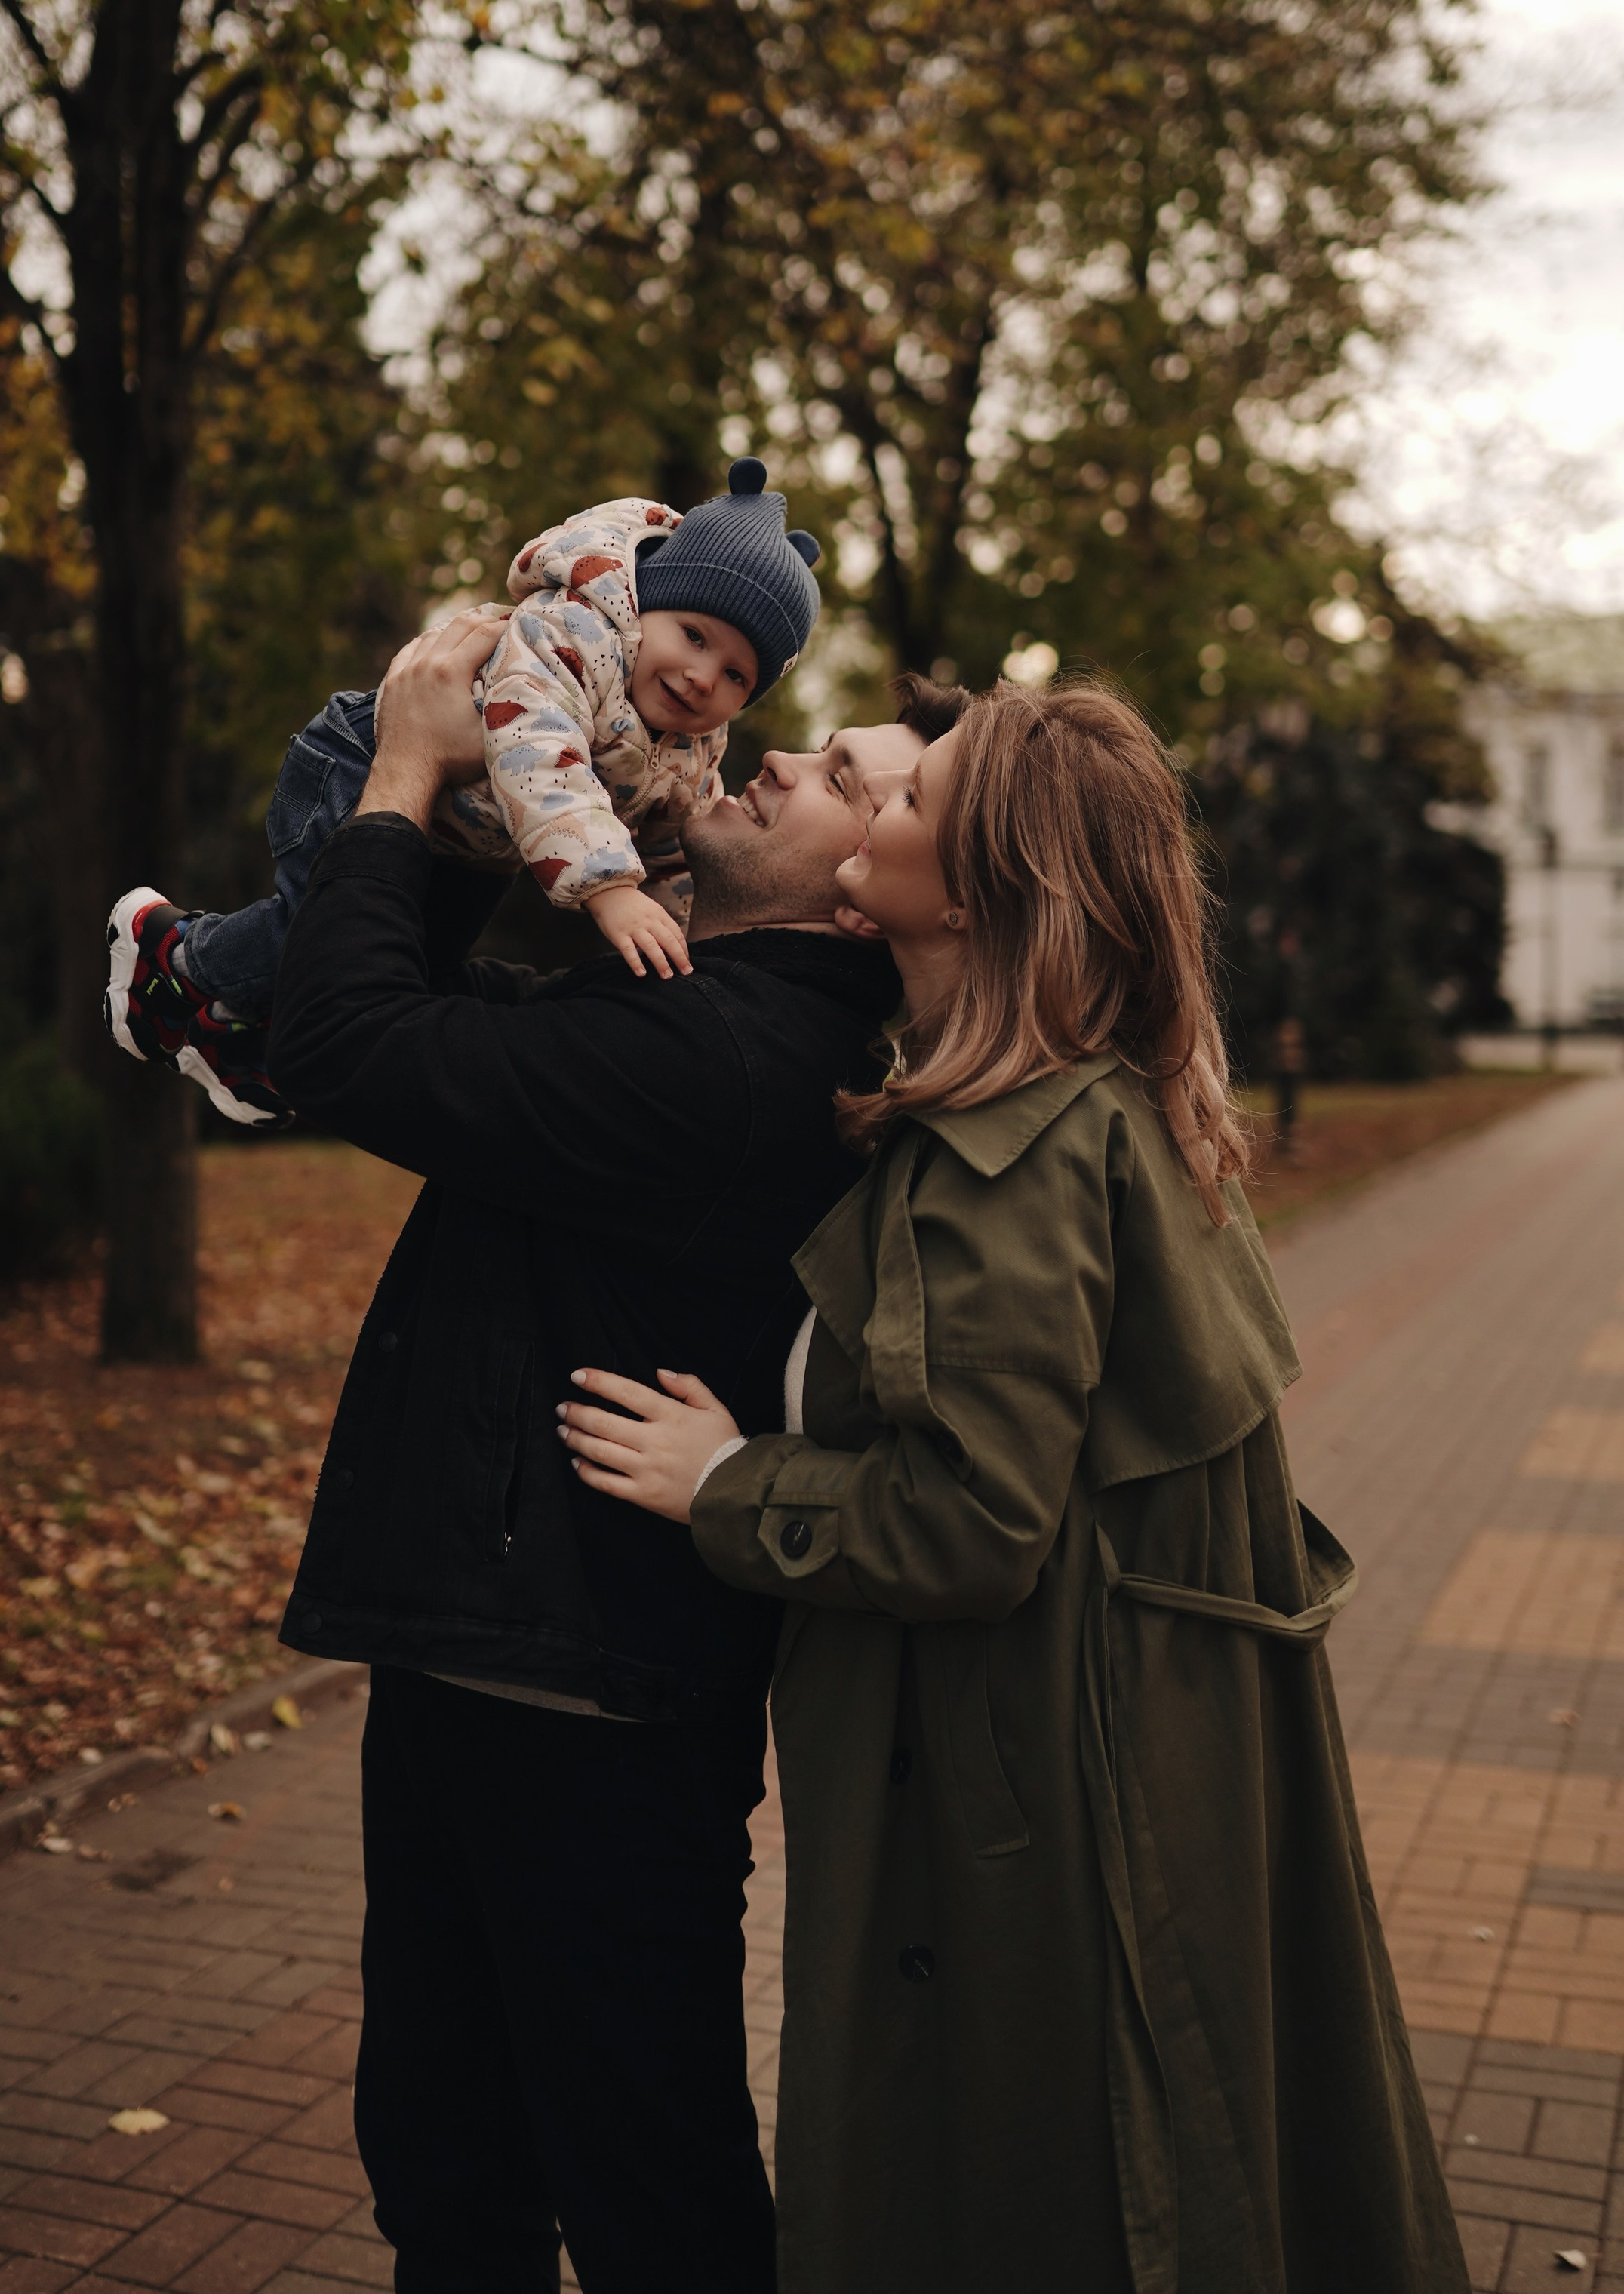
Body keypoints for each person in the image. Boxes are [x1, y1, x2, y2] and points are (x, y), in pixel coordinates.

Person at [560, 676, 1470, 2294]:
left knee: (1046, 2182)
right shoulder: (1086, 1100)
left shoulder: (1011, 1155)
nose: (876, 796)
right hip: (1108, 1750)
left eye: (911, 798)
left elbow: (972, 1523)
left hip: (1042, 1791)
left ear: (976, 894)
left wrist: (728, 1481)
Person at [264, 607, 961, 2294]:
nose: (773, 756)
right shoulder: (700, 1012)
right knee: (456, 2166)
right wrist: (469, 813)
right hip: (517, 1673)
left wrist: (406, 776)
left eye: (835, 774)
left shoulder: (721, 1059)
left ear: (857, 890)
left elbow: (350, 1045)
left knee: (646, 2197)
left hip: (580, 1715)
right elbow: (438, 1016)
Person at [101, 459, 822, 1121]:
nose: (703, 677)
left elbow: (673, 840)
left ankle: (237, 1041)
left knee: (416, 966)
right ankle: (176, 954)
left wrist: (695, 940)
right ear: (648, 604)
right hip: (365, 763)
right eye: (694, 636)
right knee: (317, 932)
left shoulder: (694, 747)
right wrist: (609, 888)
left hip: (469, 841)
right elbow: (539, 751)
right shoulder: (576, 636)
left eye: (737, 675)